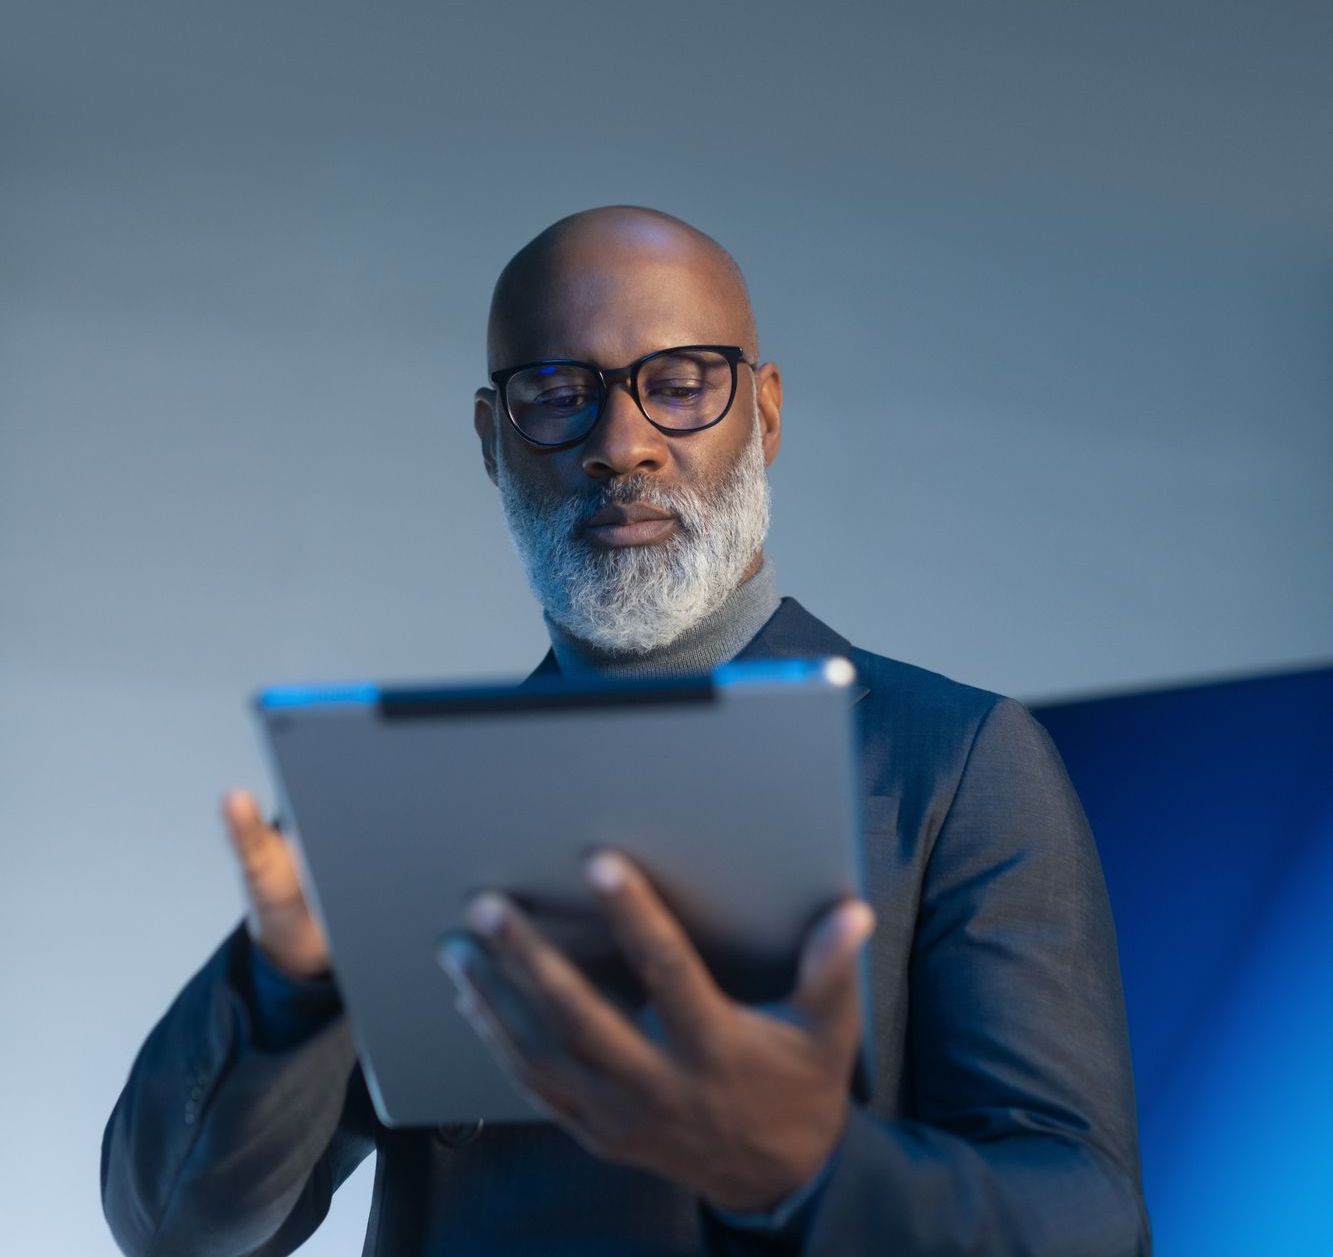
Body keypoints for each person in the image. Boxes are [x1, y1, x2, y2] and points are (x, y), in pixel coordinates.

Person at [101, 205, 1152, 1255]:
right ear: (490, 442)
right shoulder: (414, 793)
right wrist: (285, 994)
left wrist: (807, 1170)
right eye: (557, 394)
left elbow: (1087, 1223)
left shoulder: (955, 763)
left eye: (681, 383)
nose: (622, 444)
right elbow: (176, 1232)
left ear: (766, 414)